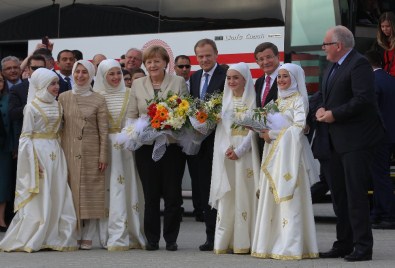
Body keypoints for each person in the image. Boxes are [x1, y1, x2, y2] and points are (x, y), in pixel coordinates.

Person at [316, 26, 385, 262]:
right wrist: (318, 108)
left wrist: (334, 113)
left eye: (325, 44)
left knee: (356, 196)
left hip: (357, 141)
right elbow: (323, 98)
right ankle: (343, 243)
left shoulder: (359, 64)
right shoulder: (332, 67)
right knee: (340, 197)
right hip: (335, 142)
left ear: (338, 45)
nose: (323, 48)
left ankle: (363, 247)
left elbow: (364, 100)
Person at [0, 68, 78, 252]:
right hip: (38, 152)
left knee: (58, 190)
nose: (56, 87)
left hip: (56, 153)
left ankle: (54, 235)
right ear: (42, 85)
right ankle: (35, 235)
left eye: (57, 83)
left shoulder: (58, 105)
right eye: (52, 84)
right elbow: (25, 136)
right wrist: (32, 161)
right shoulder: (31, 107)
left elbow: (60, 132)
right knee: (41, 193)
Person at [251, 63, 319, 260]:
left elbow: (299, 127)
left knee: (291, 199)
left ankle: (291, 246)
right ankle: (272, 243)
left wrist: (271, 133)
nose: (280, 80)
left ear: (295, 79)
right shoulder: (278, 100)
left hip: (290, 157)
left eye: (284, 77)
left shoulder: (298, 100)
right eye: (279, 77)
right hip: (274, 153)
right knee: (272, 200)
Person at [127, 45, 187, 251]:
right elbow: (131, 115)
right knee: (150, 195)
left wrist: (171, 121)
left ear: (165, 63)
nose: (153, 65)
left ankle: (171, 238)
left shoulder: (178, 81)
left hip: (171, 146)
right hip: (145, 147)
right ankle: (151, 238)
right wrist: (140, 129)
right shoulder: (137, 84)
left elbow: (185, 110)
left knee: (173, 195)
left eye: (157, 61)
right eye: (149, 62)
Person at [93, 59, 146, 250]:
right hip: (105, 149)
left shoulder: (131, 93)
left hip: (126, 149)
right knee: (109, 188)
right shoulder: (96, 96)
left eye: (118, 73)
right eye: (111, 74)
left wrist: (132, 136)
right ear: (103, 76)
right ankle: (111, 233)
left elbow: (138, 118)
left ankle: (129, 233)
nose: (115, 77)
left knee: (127, 186)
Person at [209, 62, 259, 254]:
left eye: (236, 77)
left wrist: (240, 150)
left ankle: (245, 240)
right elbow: (221, 133)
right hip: (228, 154)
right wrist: (227, 150)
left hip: (245, 154)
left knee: (245, 193)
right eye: (229, 78)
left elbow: (254, 130)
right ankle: (226, 240)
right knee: (229, 196)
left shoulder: (252, 101)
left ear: (245, 80)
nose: (231, 81)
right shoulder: (224, 102)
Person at [58, 60, 109, 250]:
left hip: (91, 151)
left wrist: (103, 155)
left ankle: (88, 235)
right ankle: (74, 233)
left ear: (91, 75)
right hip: (68, 151)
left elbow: (103, 131)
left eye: (84, 72)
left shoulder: (98, 99)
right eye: (77, 72)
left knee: (91, 194)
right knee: (71, 194)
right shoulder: (63, 97)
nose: (80, 76)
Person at [189, 38, 226, 251]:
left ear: (216, 54)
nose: (204, 59)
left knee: (221, 189)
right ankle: (210, 236)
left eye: (208, 55)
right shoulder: (194, 78)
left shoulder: (226, 75)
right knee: (205, 190)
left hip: (220, 140)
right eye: (200, 56)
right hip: (200, 143)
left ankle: (224, 234)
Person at [365, 50, 395, 229]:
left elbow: (371, 111)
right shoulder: (390, 79)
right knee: (379, 175)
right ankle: (377, 212)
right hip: (390, 135)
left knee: (379, 176)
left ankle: (387, 214)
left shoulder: (373, 82)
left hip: (378, 136)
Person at [254, 42, 280, 160]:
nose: (265, 62)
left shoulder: (287, 77)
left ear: (277, 56)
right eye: (261, 59)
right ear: (257, 62)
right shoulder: (259, 82)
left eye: (269, 57)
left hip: (281, 140)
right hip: (264, 140)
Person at [0, 72, 14, 232]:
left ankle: (1, 219)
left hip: (4, 147)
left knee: (3, 184)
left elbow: (14, 125)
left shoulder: (8, 98)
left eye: (1, 80)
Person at [375, 11, 395, 76]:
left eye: (388, 26)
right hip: (386, 76)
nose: (384, 29)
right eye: (382, 26)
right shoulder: (380, 43)